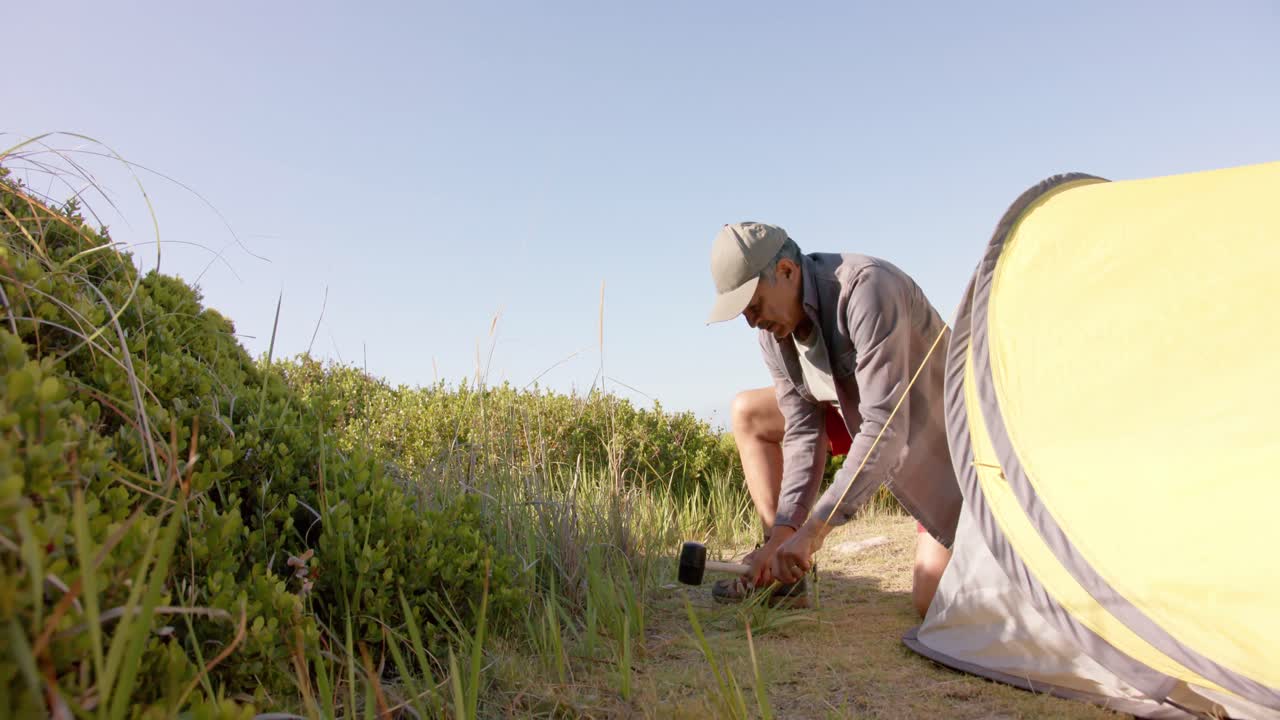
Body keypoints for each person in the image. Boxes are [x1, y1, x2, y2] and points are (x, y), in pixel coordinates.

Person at [706, 221, 963, 617]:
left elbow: (885, 428)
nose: (752, 321)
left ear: (787, 271)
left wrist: (815, 531)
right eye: (742, 313)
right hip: (856, 416)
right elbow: (803, 432)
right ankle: (781, 576)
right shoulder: (774, 335)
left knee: (934, 605)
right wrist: (784, 533)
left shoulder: (866, 289)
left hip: (937, 444)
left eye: (754, 305)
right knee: (748, 411)